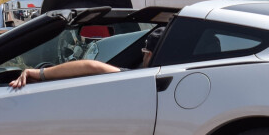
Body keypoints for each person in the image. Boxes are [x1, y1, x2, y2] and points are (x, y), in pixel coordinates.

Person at [10, 28, 162, 89]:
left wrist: (37, 73)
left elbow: (91, 67)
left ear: (148, 54)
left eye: (143, 52)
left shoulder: (142, 80)